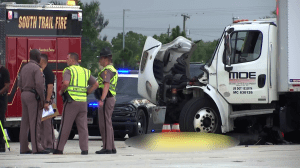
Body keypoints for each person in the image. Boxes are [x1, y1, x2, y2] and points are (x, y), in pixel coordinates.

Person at [54, 52, 98, 155]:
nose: (66, 60)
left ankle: (59, 149)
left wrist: (61, 92)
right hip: (83, 102)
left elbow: (66, 83)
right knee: (83, 127)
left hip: (71, 102)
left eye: (67, 58)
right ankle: (84, 149)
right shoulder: (85, 71)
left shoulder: (69, 70)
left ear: (73, 60)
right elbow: (95, 84)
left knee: (65, 125)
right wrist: (87, 92)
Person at [18, 49, 50, 154]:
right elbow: (39, 85)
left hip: (24, 94)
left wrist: (23, 92)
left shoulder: (24, 67)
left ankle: (23, 148)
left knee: (25, 122)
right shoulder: (37, 68)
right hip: (33, 96)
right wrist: (42, 98)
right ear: (38, 57)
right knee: (35, 122)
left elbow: (20, 83)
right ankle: (37, 148)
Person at [95, 47, 118, 154]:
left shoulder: (107, 71)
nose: (99, 61)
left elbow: (106, 85)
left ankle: (107, 147)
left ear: (105, 59)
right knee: (108, 123)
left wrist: (102, 99)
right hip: (110, 98)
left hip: (107, 99)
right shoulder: (112, 69)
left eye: (100, 59)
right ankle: (111, 146)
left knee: (104, 123)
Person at [39, 54, 55, 152]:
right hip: (46, 101)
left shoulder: (48, 72)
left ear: (42, 61)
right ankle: (45, 144)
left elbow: (50, 87)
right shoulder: (43, 72)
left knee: (47, 124)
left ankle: (50, 145)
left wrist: (47, 101)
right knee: (43, 124)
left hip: (48, 101)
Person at [0, 60, 10, 152]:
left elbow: (7, 86)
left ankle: (1, 144)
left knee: (1, 121)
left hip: (1, 99)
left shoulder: (4, 71)